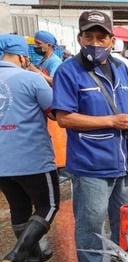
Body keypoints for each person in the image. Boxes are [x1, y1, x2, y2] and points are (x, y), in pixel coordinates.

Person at [51, 10, 128, 262]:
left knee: (122, 221)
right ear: (80, 39)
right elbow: (64, 118)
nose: (95, 43)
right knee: (90, 225)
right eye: (89, 36)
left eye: (100, 37)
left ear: (111, 40)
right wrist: (112, 121)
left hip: (123, 162)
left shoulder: (122, 69)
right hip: (91, 164)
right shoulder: (69, 71)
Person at [0, 34, 59, 262]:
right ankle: (17, 256)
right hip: (32, 157)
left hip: (2, 164)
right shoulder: (30, 78)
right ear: (23, 56)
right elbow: (55, 112)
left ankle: (34, 257)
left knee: (19, 208)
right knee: (49, 206)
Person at [29, 31, 68, 173]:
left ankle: (61, 169)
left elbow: (56, 81)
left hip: (52, 104)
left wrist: (35, 72)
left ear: (49, 45)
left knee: (58, 142)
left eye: (38, 44)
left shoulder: (54, 62)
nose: (36, 46)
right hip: (44, 106)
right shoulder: (42, 61)